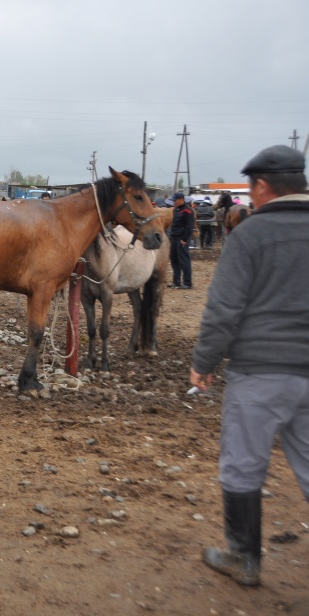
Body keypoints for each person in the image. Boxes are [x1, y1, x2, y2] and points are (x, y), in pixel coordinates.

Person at [190, 144, 309, 587]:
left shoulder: (251, 236)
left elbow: (224, 309)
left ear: (261, 187)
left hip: (261, 371)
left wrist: (203, 362)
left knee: (243, 463)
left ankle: (243, 556)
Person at [167, 192, 194, 289]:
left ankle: (187, 282)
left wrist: (184, 239)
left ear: (182, 199)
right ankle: (176, 281)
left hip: (181, 238)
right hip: (174, 237)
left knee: (184, 261)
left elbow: (189, 227)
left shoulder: (188, 211)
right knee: (174, 260)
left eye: (175, 200)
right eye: (173, 200)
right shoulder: (176, 210)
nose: (174, 202)